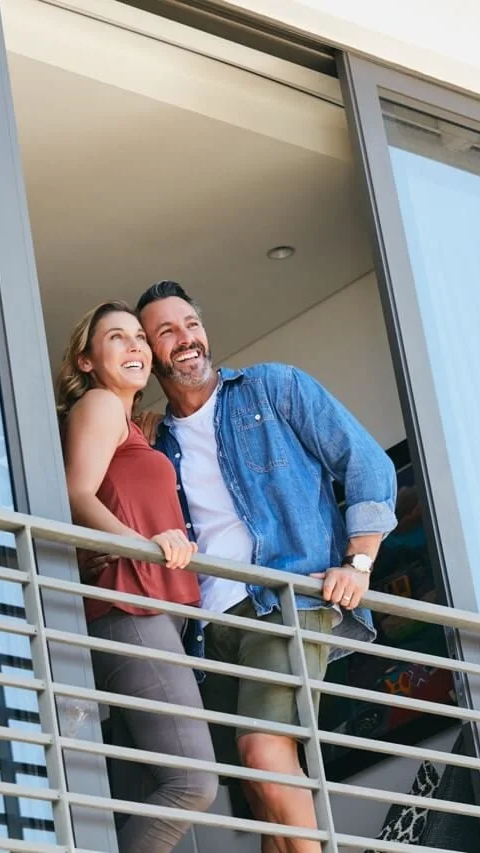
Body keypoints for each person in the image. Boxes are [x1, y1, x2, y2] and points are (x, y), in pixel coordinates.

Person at [135, 280, 398, 853]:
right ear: (151, 353)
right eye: (167, 332)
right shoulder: (158, 440)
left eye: (191, 324)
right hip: (208, 625)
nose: (186, 339)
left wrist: (359, 563)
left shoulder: (272, 387)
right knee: (260, 787)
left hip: (285, 600)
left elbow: (367, 464)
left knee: (263, 753)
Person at [54, 300, 219, 853]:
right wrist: (143, 547)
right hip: (130, 603)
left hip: (151, 609)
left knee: (146, 786)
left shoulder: (132, 429)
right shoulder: (98, 404)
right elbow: (78, 495)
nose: (135, 347)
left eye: (138, 339)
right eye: (116, 339)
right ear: (85, 361)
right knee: (192, 782)